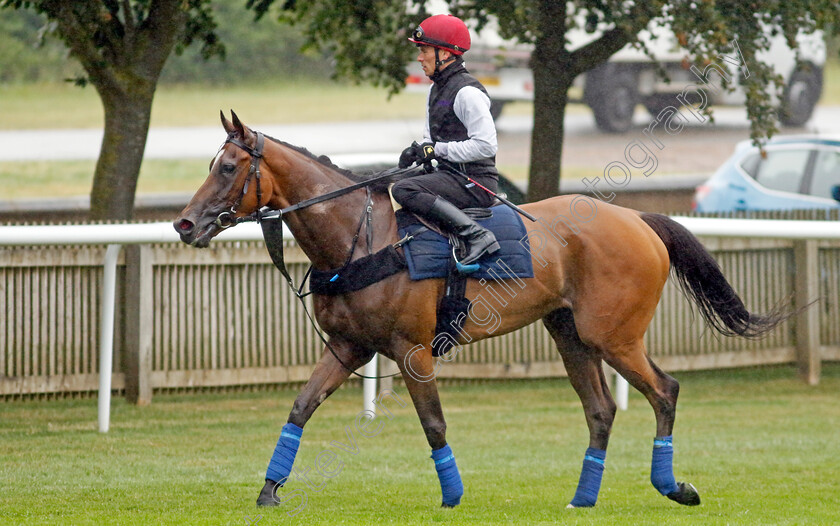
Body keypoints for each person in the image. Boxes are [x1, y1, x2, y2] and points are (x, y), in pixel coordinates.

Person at [392, 14, 501, 266]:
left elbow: (486, 145)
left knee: (404, 189)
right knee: (391, 183)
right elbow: (431, 139)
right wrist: (418, 151)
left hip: (475, 182)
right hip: (451, 176)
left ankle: (477, 235)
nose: (419, 58)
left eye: (424, 50)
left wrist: (438, 149)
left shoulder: (467, 92)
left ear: (445, 53)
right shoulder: (436, 88)